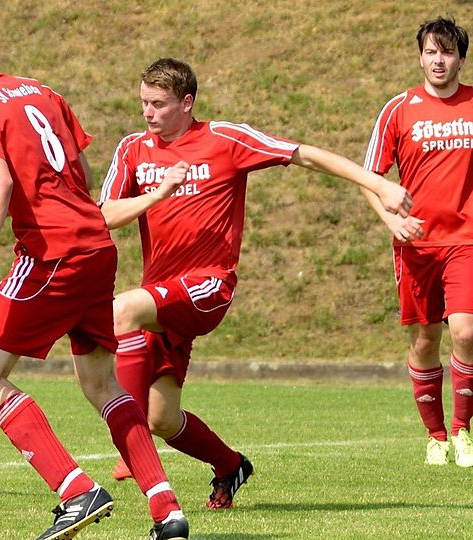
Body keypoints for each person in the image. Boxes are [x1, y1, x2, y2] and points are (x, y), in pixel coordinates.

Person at [98, 57, 416, 509]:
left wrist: (378, 185)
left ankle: (130, 446)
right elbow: (106, 215)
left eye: (159, 104)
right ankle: (229, 465)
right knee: (163, 417)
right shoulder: (133, 148)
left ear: (187, 103)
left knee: (119, 310)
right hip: (162, 297)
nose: (148, 113)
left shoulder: (224, 139)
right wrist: (158, 193)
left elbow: (304, 154)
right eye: (144, 102)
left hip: (208, 286)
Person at [0, 11, 190, 540]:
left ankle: (76, 491)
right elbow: (79, 173)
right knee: (101, 384)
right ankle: (168, 512)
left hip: (52, 254)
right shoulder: (40, 91)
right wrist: (8, 202)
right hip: (95, 245)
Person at [362, 16, 473, 468]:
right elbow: (370, 179)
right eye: (431, 52)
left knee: (466, 330)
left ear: (461, 58)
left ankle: (464, 431)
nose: (439, 60)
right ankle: (436, 436)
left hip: (467, 240)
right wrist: (391, 222)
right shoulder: (399, 109)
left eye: (447, 52)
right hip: (416, 245)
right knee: (425, 341)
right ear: (420, 57)